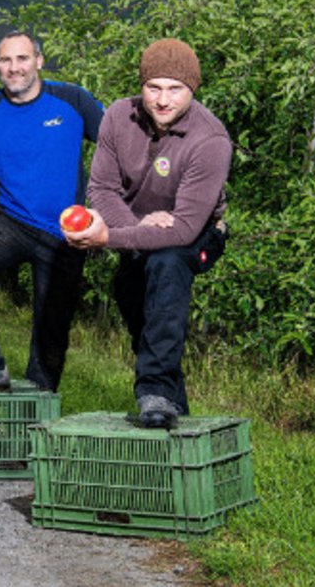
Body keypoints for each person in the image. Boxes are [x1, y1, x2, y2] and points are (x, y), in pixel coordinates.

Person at [62, 38, 231, 429]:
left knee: (167, 265)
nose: (163, 100)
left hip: (196, 235)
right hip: (133, 228)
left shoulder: (212, 140)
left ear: (193, 89)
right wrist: (134, 227)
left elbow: (185, 228)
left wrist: (109, 239)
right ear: (141, 86)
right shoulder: (118, 117)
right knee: (139, 311)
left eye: (176, 89)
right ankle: (170, 409)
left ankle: (152, 388)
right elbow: (101, 189)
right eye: (154, 87)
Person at [0, 31, 104, 393]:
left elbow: (115, 144)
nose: (15, 68)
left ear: (39, 61)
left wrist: (106, 206)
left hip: (65, 233)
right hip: (10, 224)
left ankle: (37, 412)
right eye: (7, 61)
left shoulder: (72, 100)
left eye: (23, 59)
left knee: (51, 333)